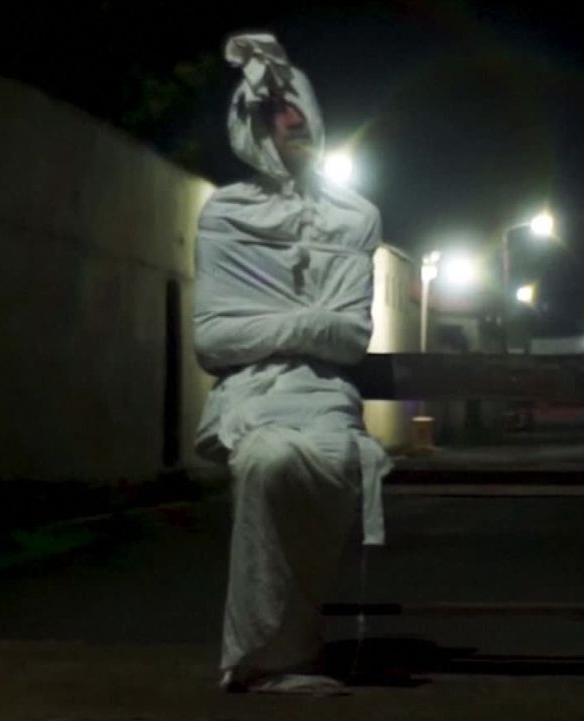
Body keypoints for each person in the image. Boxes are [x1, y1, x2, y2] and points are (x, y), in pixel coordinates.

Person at [192, 32, 390, 694]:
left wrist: (279, 328)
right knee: (268, 459)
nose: (290, 117)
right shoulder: (224, 213)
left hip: (325, 398)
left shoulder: (356, 216)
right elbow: (215, 340)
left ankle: (292, 646)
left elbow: (351, 337)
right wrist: (310, 323)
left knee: (329, 457)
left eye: (296, 102)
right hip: (250, 396)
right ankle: (266, 656)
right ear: (250, 124)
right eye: (272, 107)